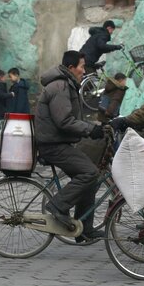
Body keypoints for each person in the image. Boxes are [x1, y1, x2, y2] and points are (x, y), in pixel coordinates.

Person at [35, 50, 105, 243]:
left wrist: (93, 127)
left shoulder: (66, 84)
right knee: (89, 173)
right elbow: (64, 121)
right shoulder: (60, 86)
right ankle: (57, 206)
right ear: (71, 68)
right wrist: (90, 130)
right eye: (82, 67)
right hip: (53, 144)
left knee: (91, 176)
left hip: (59, 142)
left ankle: (84, 228)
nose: (84, 71)